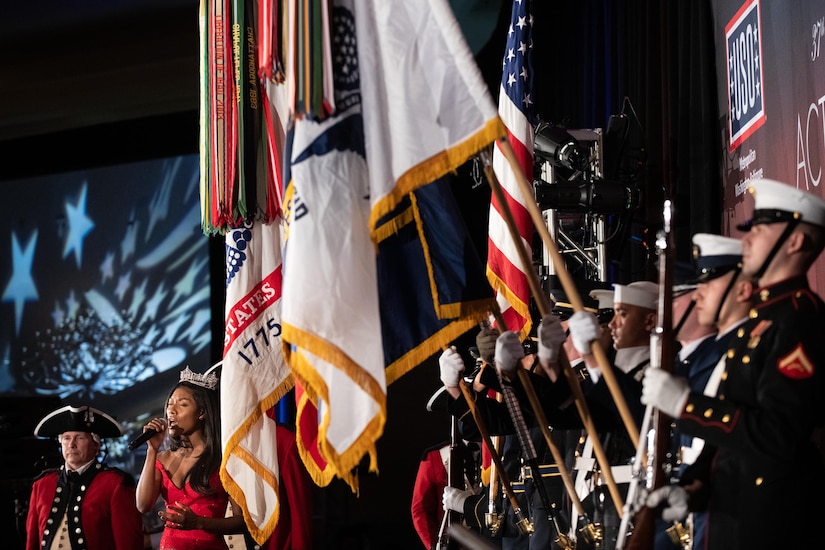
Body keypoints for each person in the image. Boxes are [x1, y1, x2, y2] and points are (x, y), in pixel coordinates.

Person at [642, 178, 825, 549]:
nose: (746, 239)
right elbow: (733, 427)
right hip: (731, 519)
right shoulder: (760, 322)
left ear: (796, 241)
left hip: (771, 526)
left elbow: (778, 435)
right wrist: (694, 487)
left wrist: (686, 405)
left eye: (760, 229)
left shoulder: (798, 321)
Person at [136, 367, 245, 549]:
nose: (172, 410)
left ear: (201, 412)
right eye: (170, 403)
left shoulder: (224, 458)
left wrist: (199, 523)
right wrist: (151, 450)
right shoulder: (162, 458)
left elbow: (241, 521)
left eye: (182, 404)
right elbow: (143, 505)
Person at [25, 404, 144, 550]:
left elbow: (128, 543)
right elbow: (32, 543)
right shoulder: (41, 484)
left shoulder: (115, 483)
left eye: (79, 438)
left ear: (96, 445)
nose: (71, 445)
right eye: (66, 438)